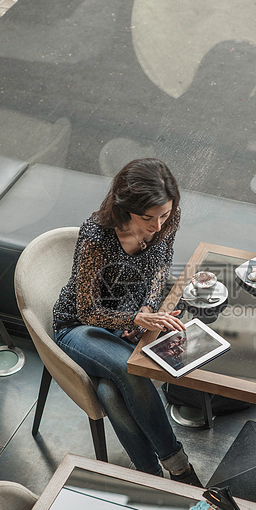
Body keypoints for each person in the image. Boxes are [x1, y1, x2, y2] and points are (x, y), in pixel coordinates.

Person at [53, 158, 202, 486]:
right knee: (127, 369)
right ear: (125, 207)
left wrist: (148, 308)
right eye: (148, 217)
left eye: (164, 215)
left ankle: (149, 476)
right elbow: (87, 309)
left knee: (110, 392)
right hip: (77, 326)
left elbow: (161, 267)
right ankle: (179, 468)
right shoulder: (97, 234)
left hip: (128, 322)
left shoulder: (168, 220)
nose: (158, 225)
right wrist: (134, 317)